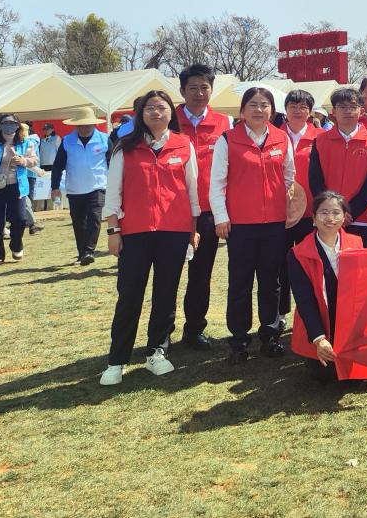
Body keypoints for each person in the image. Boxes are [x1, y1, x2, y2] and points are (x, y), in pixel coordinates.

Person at [98, 91, 202, 386]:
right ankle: (117, 360)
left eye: (162, 107)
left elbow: (192, 191)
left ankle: (157, 351)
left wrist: (192, 230)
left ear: (171, 112)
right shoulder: (125, 147)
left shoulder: (183, 145)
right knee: (129, 295)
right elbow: (113, 192)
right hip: (135, 232)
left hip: (174, 231)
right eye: (150, 108)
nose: (156, 112)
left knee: (166, 294)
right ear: (141, 114)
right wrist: (113, 231)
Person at [210, 87, 293, 364]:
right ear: (242, 111)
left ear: (272, 110)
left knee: (271, 281)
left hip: (274, 224)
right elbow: (217, 183)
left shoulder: (282, 138)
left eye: (264, 104)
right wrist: (221, 217)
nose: (259, 110)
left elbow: (289, 176)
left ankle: (270, 334)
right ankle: (239, 339)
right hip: (241, 225)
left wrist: (284, 205)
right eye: (253, 104)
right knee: (240, 282)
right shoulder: (227, 139)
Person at [176, 63, 233, 351]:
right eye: (193, 88)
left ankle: (194, 328)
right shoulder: (169, 119)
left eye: (204, 87)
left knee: (201, 273)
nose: (199, 93)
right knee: (168, 274)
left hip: (209, 212)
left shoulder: (225, 123)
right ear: (182, 90)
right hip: (173, 211)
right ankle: (161, 332)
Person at [286, 191, 363, 380]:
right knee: (325, 377)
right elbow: (304, 301)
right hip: (321, 326)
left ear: (344, 217)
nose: (330, 218)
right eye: (324, 212)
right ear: (313, 218)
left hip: (350, 326)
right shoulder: (298, 254)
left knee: (357, 378)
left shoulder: (357, 243)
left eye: (336, 212)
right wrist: (319, 339)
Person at [307, 87, 367, 246]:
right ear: (333, 111)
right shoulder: (320, 141)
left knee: (360, 261)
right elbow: (315, 179)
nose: (348, 111)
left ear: (361, 111)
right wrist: (332, 211)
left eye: (353, 106)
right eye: (342, 106)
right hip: (327, 218)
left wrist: (349, 212)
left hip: (361, 217)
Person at [278, 88, 321, 329]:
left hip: (310, 214)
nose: (297, 110)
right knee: (280, 265)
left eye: (303, 106)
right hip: (280, 214)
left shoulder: (321, 137)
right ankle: (281, 314)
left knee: (309, 266)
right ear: (285, 110)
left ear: (310, 111)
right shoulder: (273, 135)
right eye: (293, 106)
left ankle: (310, 315)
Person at [50, 107, 110, 265]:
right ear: (75, 125)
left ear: (94, 124)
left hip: (98, 185)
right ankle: (82, 253)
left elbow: (112, 162)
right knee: (78, 222)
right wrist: (55, 186)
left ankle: (89, 250)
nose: (84, 128)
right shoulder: (67, 141)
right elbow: (58, 165)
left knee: (94, 218)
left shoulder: (105, 139)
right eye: (81, 125)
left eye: (87, 125)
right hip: (75, 187)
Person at [0, 113, 37, 263]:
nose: (8, 126)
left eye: (12, 123)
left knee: (20, 218)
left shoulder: (26, 143)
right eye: (5, 123)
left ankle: (16, 245)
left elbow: (34, 160)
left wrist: (23, 161)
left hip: (17, 185)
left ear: (18, 126)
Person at [35, 123, 60, 212]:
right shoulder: (41, 140)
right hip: (43, 166)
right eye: (45, 129)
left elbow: (59, 152)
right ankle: (42, 207)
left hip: (53, 166)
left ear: (52, 129)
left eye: (48, 129)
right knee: (43, 187)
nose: (46, 131)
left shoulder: (57, 138)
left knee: (54, 186)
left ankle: (56, 207)